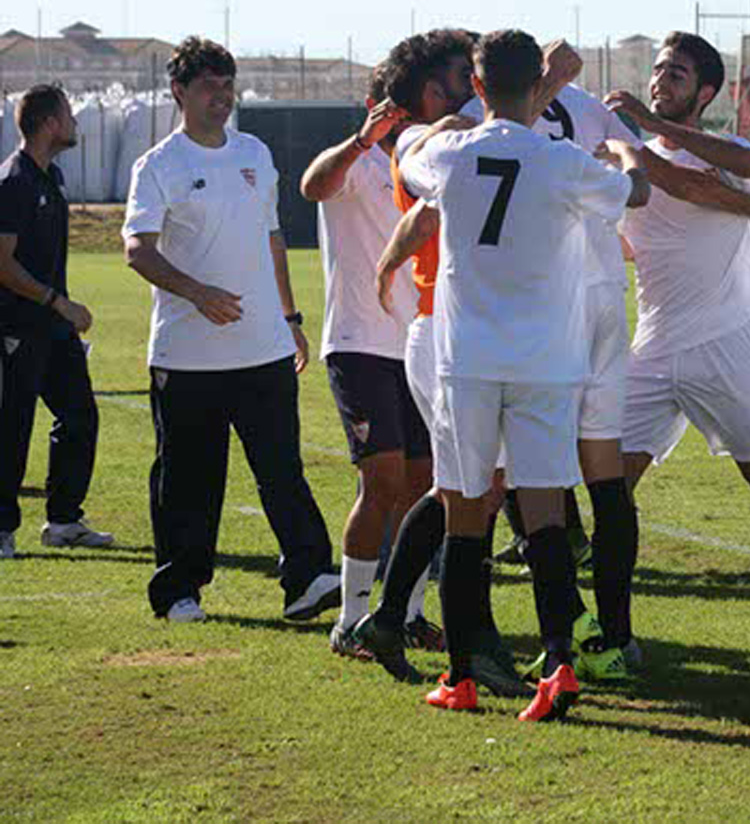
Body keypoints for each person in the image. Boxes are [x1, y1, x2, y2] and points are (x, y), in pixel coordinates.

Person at [398, 29, 649, 718]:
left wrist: (453, 123)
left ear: (477, 87)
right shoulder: (561, 160)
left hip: (470, 361)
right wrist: (626, 151)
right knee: (544, 513)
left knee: (465, 507)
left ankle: (461, 677)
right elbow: (634, 193)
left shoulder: (451, 151)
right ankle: (559, 665)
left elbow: (410, 159)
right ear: (537, 82)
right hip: (546, 359)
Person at [602, 32, 750, 671]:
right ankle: (614, 637)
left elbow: (737, 166)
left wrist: (637, 135)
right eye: (658, 69)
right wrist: (741, 206)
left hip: (722, 342)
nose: (661, 79)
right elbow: (675, 190)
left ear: (704, 92)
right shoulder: (629, 153)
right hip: (653, 343)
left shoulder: (719, 153)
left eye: (678, 72)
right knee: (613, 486)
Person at [122, 36, 339, 622]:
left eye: (227, 85)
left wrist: (290, 318)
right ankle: (178, 591)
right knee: (188, 481)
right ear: (179, 93)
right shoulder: (159, 165)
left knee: (283, 470)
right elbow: (136, 249)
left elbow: (272, 238)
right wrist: (197, 292)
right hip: (187, 357)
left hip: (264, 349)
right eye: (208, 86)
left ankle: (309, 578)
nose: (221, 96)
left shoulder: (255, 154)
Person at [299, 65, 439, 659]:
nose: (400, 113)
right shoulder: (355, 163)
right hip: (359, 345)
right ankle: (350, 621)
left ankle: (406, 613)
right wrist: (361, 137)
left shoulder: (425, 165)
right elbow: (311, 185)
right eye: (390, 102)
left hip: (414, 344)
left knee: (422, 484)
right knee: (379, 483)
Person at [0, 84, 110, 560]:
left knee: (80, 415)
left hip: (54, 327)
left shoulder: (51, 177)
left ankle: (64, 519)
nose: (75, 123)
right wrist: (56, 301)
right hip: (18, 327)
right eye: (68, 114)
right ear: (49, 123)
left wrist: (59, 310)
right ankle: (2, 530)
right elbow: (2, 263)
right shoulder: (14, 181)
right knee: (12, 428)